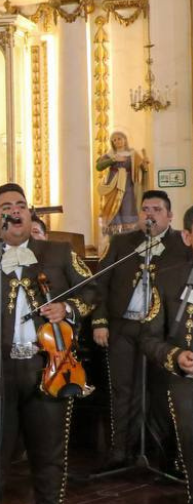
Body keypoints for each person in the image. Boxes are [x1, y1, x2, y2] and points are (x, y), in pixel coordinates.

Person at [0, 183, 100, 504]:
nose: (14, 210)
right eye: (6, 206)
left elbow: (93, 289)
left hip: (49, 368)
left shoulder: (59, 253)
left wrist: (68, 309)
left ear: (30, 214)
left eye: (20, 205)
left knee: (48, 457)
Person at [90, 190, 191, 472]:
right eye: (145, 209)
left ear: (169, 215)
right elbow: (101, 282)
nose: (150, 214)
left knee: (161, 392)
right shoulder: (122, 242)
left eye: (157, 209)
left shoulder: (181, 244)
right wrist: (100, 321)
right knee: (123, 389)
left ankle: (166, 455)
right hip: (124, 327)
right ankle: (121, 450)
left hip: (163, 335)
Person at [137, 204, 193, 503]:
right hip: (187, 385)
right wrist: (176, 356)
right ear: (187, 236)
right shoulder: (168, 279)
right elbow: (148, 337)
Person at [96, 131, 149, 237]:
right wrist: (113, 159)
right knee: (112, 208)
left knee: (128, 206)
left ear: (125, 140)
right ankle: (114, 236)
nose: (117, 141)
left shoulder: (133, 154)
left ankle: (128, 235)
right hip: (112, 185)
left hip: (128, 184)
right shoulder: (110, 154)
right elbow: (99, 166)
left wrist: (144, 163)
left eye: (119, 138)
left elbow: (143, 170)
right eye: (114, 140)